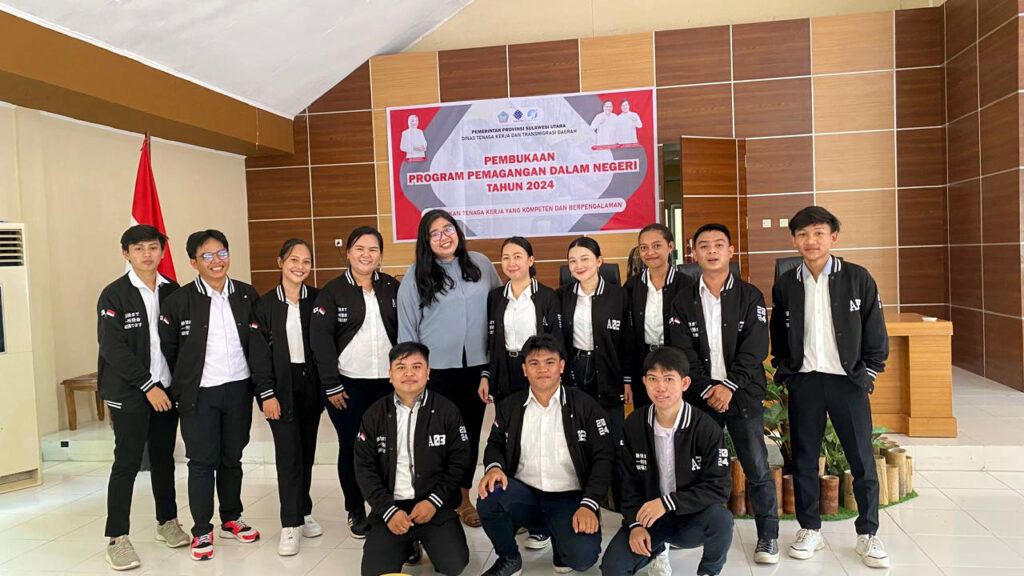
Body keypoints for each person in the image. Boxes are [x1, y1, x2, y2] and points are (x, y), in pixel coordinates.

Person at [770, 206, 890, 569]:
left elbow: (875, 331)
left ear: (833, 237)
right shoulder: (786, 284)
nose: (811, 241)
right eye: (803, 234)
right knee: (804, 459)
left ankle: (868, 533)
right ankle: (810, 529)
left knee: (861, 460)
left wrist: (868, 374)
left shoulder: (857, 278)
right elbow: (779, 334)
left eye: (819, 233)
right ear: (794, 240)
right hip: (805, 382)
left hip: (847, 383)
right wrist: (787, 372)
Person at [667, 223, 779, 564]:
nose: (711, 250)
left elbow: (755, 348)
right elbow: (682, 352)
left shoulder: (750, 296)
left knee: (756, 465)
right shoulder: (682, 300)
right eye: (704, 245)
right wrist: (708, 388)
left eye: (719, 244)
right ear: (694, 254)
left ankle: (768, 537)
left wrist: (729, 386)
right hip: (701, 396)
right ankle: (695, 531)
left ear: (731, 251)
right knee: (698, 467)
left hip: (742, 394)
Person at [159, 229, 261, 561]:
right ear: (194, 262)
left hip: (239, 389)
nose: (216, 261)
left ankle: (231, 517)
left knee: (232, 458)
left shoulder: (246, 295)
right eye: (207, 256)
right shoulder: (179, 301)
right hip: (199, 394)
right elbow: (169, 351)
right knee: (202, 462)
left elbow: (259, 344)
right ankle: (202, 529)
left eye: (222, 253)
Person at [477, 334, 614, 576]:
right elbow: (495, 444)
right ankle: (509, 557)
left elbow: (604, 458)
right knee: (490, 494)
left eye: (549, 362)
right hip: (524, 493)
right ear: (524, 369)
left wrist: (590, 503)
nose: (542, 369)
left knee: (581, 558)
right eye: (534, 363)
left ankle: (561, 541)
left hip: (569, 497)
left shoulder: (586, 406)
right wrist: (494, 468)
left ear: (561, 366)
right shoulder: (510, 406)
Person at [397, 209, 501, 527]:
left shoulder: (481, 264)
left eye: (448, 229)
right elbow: (407, 331)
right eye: (435, 233)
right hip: (436, 372)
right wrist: (412, 375)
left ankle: (463, 498)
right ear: (425, 241)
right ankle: (435, 498)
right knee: (436, 438)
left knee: (467, 436)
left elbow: (500, 308)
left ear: (457, 231)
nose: (444, 237)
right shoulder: (416, 275)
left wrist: (494, 365)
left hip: (477, 370)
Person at [97, 225, 189, 570]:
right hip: (132, 393)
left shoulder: (173, 291)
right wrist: (147, 386)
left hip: (165, 391)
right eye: (138, 249)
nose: (147, 254)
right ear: (126, 254)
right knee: (127, 463)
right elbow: (113, 348)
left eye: (153, 247)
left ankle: (167, 522)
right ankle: (117, 538)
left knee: (164, 459)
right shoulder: (114, 295)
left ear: (162, 251)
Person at [601, 347, 733, 576]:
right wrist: (635, 525)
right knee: (613, 569)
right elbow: (628, 483)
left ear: (685, 383)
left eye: (669, 379)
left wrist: (667, 503)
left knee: (721, 521)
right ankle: (658, 549)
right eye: (653, 379)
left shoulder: (706, 428)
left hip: (691, 516)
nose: (660, 387)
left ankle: (709, 571)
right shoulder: (634, 424)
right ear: (644, 382)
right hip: (650, 518)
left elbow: (719, 487)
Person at [310, 226, 400, 539]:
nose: (366, 255)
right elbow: (320, 341)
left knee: (387, 449)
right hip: (347, 387)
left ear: (380, 255)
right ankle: (355, 508)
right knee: (352, 447)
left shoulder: (391, 287)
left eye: (373, 249)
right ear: (348, 253)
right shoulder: (333, 291)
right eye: (360, 248)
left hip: (388, 386)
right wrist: (331, 384)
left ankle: (384, 507)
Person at [354, 342, 471, 576]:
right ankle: (407, 544)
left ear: (428, 373)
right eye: (401, 367)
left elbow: (460, 461)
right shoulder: (374, 414)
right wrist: (388, 511)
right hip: (391, 507)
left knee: (454, 564)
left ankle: (428, 541)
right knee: (375, 571)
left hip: (435, 505)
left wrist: (434, 501)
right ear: (390, 375)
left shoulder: (447, 410)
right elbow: (364, 468)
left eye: (416, 366)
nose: (409, 373)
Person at [249, 239, 324, 556]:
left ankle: (303, 511)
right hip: (280, 387)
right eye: (294, 259)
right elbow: (258, 355)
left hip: (311, 386)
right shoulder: (265, 305)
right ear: (280, 262)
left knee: (306, 453)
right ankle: (290, 524)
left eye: (306, 261)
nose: (300, 266)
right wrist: (266, 394)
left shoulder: (318, 300)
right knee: (288, 455)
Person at [560, 237, 633, 455]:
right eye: (572, 261)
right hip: (576, 367)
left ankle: (614, 476)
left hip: (609, 369)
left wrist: (627, 380)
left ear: (599, 261)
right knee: (580, 432)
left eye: (585, 259)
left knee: (612, 434)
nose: (578, 266)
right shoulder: (562, 296)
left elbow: (628, 341)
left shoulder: (619, 295)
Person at [479, 236, 562, 405]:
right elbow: (490, 341)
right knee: (507, 416)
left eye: (517, 256)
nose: (511, 263)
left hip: (537, 367)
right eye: (506, 258)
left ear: (530, 260)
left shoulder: (548, 296)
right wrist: (485, 375)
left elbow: (557, 340)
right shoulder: (495, 297)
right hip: (504, 370)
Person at [625, 223, 688, 409]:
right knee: (645, 415)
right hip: (643, 362)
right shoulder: (631, 287)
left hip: (677, 362)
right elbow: (626, 335)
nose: (650, 252)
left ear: (670, 246)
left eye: (656, 246)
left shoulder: (687, 285)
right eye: (644, 248)